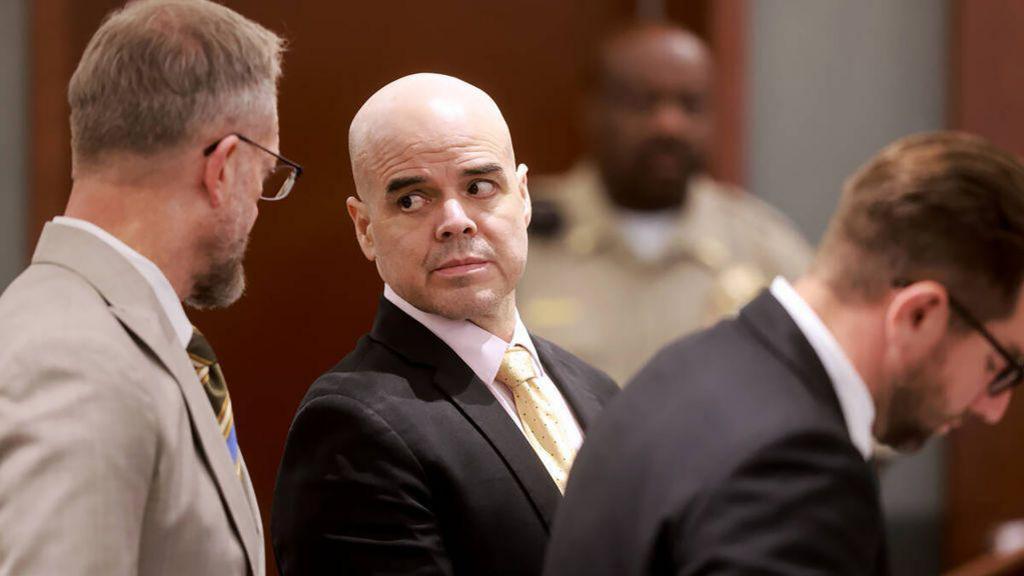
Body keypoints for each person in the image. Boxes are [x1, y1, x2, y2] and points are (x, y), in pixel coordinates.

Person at [542, 131, 1024, 576]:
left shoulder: (691, 365)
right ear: (919, 314)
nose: (994, 407)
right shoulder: (797, 469)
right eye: (1001, 367)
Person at [271, 73, 618, 576]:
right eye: (412, 199)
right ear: (365, 228)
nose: (455, 219)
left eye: (479, 186)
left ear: (522, 198)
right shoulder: (350, 428)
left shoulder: (596, 391)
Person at [0, 1, 294, 574]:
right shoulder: (74, 360)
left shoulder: (93, 332)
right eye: (265, 177)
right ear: (224, 168)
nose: (259, 206)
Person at [518, 22, 813, 383]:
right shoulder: (519, 239)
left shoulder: (764, 248)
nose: (668, 125)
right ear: (594, 111)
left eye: (690, 105)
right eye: (644, 103)